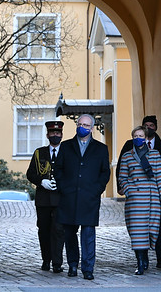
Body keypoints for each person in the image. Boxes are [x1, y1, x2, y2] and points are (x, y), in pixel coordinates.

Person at [53, 114, 110, 280]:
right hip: (69, 197)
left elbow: (105, 172)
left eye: (86, 125)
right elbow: (59, 169)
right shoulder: (66, 146)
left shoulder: (100, 148)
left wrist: (97, 189)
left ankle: (87, 268)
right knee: (69, 233)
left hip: (89, 198)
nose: (82, 127)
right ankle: (72, 265)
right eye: (80, 124)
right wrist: (63, 186)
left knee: (88, 235)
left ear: (91, 128)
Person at [116, 115, 161, 268]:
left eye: (141, 136)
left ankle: (160, 258)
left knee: (156, 228)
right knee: (137, 231)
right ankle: (142, 261)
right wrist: (127, 189)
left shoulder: (158, 151)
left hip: (153, 198)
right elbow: (121, 173)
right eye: (136, 136)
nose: (138, 138)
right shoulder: (127, 152)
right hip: (136, 199)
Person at [26, 119, 66, 273]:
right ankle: (46, 260)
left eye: (57, 133)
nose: (55, 135)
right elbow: (30, 174)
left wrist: (61, 184)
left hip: (60, 198)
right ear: (47, 135)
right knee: (43, 230)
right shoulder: (39, 152)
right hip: (43, 199)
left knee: (58, 230)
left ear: (61, 135)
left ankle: (57, 262)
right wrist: (40, 181)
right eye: (52, 133)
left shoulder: (67, 152)